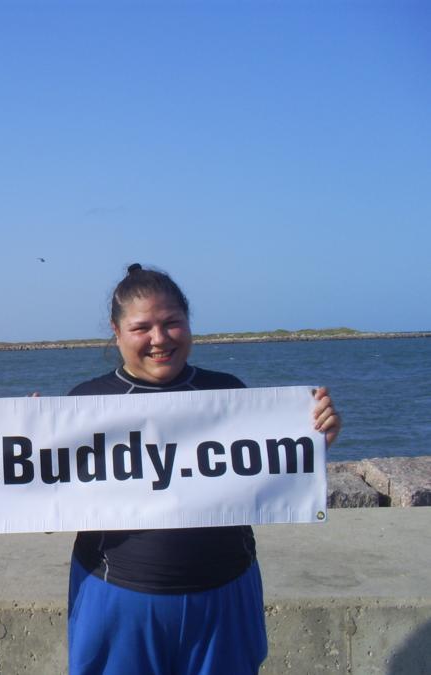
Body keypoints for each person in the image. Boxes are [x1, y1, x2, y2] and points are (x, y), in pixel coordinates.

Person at [66, 263, 341, 675]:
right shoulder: (82, 403)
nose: (159, 339)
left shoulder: (229, 392)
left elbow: (270, 476)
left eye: (172, 323)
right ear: (116, 330)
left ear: (188, 323)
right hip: (119, 599)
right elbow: (50, 506)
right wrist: (31, 448)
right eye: (142, 328)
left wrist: (315, 438)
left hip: (226, 594)